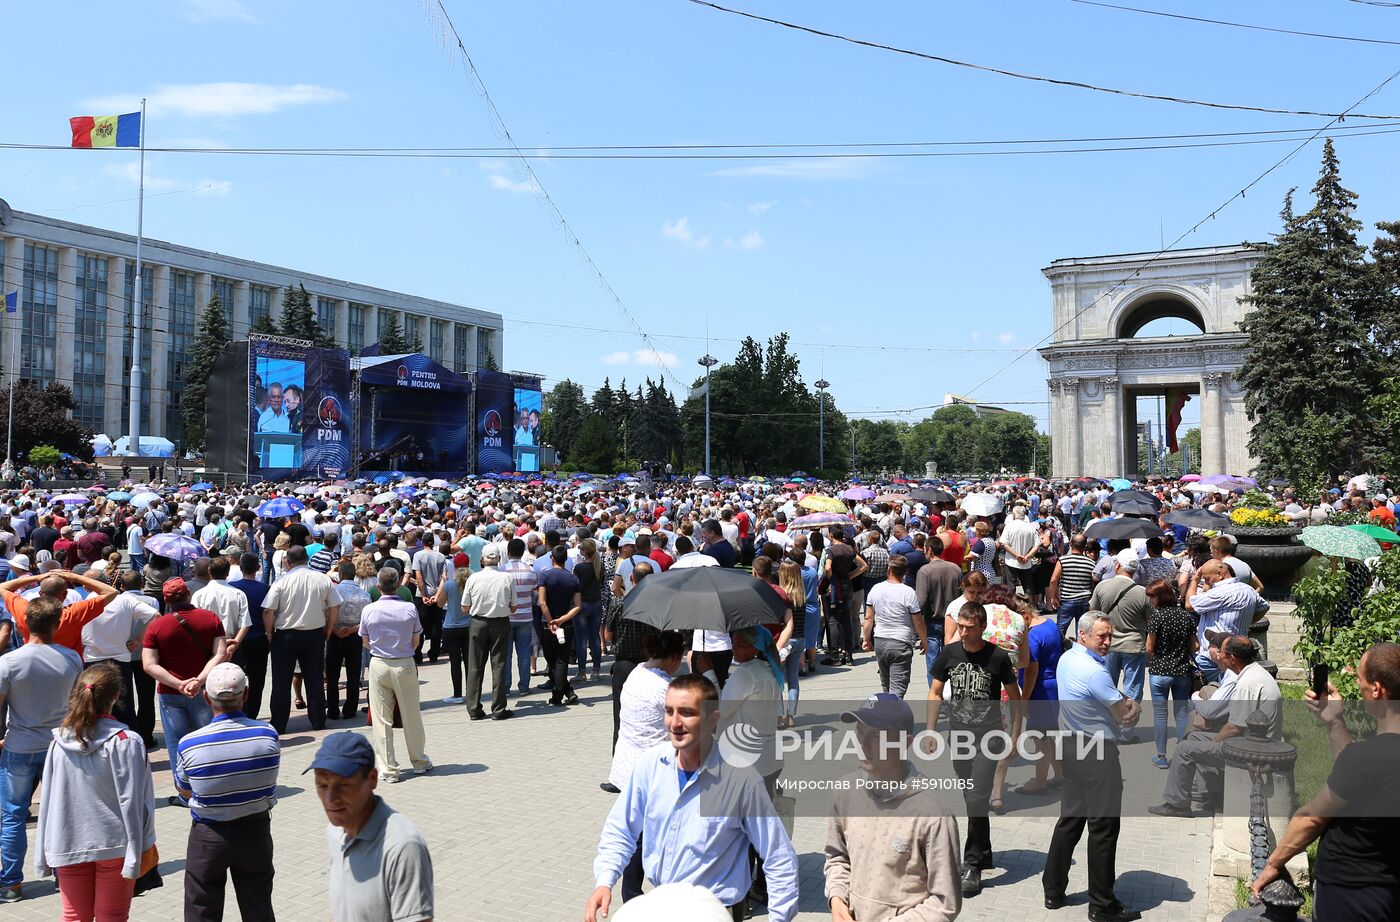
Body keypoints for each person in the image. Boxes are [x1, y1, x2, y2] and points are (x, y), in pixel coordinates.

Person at [586, 673, 799, 922]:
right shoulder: (650, 766)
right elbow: (621, 829)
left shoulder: (741, 780)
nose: (674, 722)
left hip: (715, 913)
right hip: (662, 908)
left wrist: (780, 918)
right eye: (669, 711)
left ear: (712, 719)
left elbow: (778, 856)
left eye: (686, 712)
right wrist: (605, 880)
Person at [1251, 642, 1400, 920]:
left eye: (1360, 678)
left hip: (1351, 893)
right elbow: (1358, 775)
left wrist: (1273, 864)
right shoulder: (1368, 759)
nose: (1358, 686)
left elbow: (1311, 818)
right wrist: (1334, 721)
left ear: (1377, 689)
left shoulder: (1366, 758)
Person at [32, 662, 157, 921]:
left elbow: (48, 800)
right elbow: (136, 800)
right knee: (112, 917)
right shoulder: (126, 742)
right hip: (115, 843)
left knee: (74, 917)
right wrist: (142, 845)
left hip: (68, 842)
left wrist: (44, 850)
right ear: (115, 696)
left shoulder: (59, 741)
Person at [825, 693, 963, 922]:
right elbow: (837, 856)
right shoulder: (845, 792)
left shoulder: (933, 814)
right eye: (860, 732)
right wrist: (837, 898)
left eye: (876, 735)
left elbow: (945, 902)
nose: (863, 743)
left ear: (905, 742)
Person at [1042, 611, 1142, 922]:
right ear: (1083, 635)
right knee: (1104, 827)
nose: (1108, 642)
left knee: (1070, 819)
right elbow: (1122, 715)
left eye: (1110, 636)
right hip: (1097, 753)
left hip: (1071, 746)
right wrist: (1133, 705)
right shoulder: (1096, 673)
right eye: (1102, 636)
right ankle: (1101, 903)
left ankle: (1053, 890)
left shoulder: (1068, 658)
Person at [926, 601, 1021, 898]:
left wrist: (1015, 737)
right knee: (970, 795)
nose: (963, 632)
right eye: (961, 627)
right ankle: (986, 849)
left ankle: (972, 864)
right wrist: (930, 731)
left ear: (982, 627)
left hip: (990, 736)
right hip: (959, 736)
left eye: (969, 628)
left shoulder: (998, 657)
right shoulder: (949, 653)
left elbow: (1017, 700)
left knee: (978, 796)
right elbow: (936, 691)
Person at [173, 662, 280, 922]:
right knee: (258, 907)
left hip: (209, 835)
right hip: (255, 831)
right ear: (245, 694)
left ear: (207, 697)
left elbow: (184, 792)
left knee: (201, 909)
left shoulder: (189, 744)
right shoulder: (267, 734)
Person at [0, 597, 83, 903]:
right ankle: (65, 877)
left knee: (12, 816)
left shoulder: (8, 662)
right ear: (56, 624)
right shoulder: (72, 658)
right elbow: (77, 705)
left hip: (19, 746)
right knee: (61, 812)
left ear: (24, 625)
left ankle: (11, 883)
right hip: (59, 746)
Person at [1149, 635, 1281, 818]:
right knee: (1194, 737)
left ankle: (1177, 804)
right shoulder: (1255, 673)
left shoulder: (1247, 684)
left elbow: (1235, 727)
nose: (1220, 657)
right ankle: (1212, 794)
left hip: (1251, 750)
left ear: (1233, 659)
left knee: (1185, 748)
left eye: (1223, 654)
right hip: (1253, 742)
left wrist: (1213, 743)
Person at [309, 732, 434, 922]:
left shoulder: (403, 847)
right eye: (322, 785)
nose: (330, 799)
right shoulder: (336, 831)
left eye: (343, 785)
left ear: (373, 779)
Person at [607, 631, 687, 903]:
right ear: (674, 658)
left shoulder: (637, 672)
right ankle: (645, 894)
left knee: (634, 831)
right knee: (652, 835)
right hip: (654, 771)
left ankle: (631, 893)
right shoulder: (666, 689)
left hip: (626, 763)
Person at [143, 578, 227, 772]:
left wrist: (179, 684)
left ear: (166, 599)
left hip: (170, 692)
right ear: (188, 593)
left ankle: (184, 790)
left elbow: (149, 665)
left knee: (176, 743)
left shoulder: (157, 626)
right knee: (207, 739)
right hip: (204, 690)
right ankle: (210, 782)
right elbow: (220, 653)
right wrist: (199, 680)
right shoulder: (210, 618)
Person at [359, 567, 432, 782]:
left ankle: (388, 769)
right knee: (411, 715)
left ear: (378, 586)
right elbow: (417, 640)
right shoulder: (409, 608)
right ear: (399, 585)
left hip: (379, 663)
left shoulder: (369, 610)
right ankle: (419, 761)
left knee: (382, 719)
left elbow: (365, 641)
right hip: (404, 663)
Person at [262, 545, 339, 734]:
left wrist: (269, 632)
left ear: (287, 562)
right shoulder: (322, 579)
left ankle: (279, 723)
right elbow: (335, 606)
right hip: (314, 634)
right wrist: (328, 629)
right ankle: (318, 719)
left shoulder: (281, 581)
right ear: (308, 559)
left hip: (285, 635)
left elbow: (268, 610)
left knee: (281, 681)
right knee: (314, 679)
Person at [79, 570, 160, 736]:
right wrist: (138, 640)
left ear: (88, 586)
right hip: (120, 659)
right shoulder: (125, 599)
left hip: (92, 659)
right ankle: (132, 742)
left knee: (94, 705)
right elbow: (156, 616)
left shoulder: (84, 601)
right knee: (125, 707)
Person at [1091, 549, 1153, 719]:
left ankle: (1108, 723)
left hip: (1107, 645)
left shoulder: (1102, 587)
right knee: (1132, 689)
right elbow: (1151, 621)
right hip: (1134, 645)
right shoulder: (1142, 592)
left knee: (1106, 688)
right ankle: (1127, 729)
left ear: (1117, 565)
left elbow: (1092, 614)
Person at [1144, 578, 1196, 770]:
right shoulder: (1185, 617)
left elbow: (1149, 647)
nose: (1151, 601)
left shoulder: (1156, 618)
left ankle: (1161, 756)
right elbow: (1195, 645)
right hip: (1182, 671)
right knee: (1182, 714)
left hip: (1159, 671)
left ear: (1159, 597)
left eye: (1152, 597)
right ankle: (1182, 754)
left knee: (1160, 715)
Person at [862, 555, 927, 699]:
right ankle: (892, 718)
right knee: (898, 688)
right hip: (900, 642)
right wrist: (924, 640)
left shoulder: (876, 589)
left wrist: (866, 639)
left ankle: (888, 715)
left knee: (886, 685)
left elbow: (868, 617)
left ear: (889, 569)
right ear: (905, 572)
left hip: (881, 640)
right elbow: (917, 621)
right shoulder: (908, 592)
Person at [462, 545, 514, 720]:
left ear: (482, 560)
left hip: (478, 622)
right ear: (498, 559)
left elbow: (465, 607)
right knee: (498, 665)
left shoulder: (474, 578)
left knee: (475, 666)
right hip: (500, 623)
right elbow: (513, 607)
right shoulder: (507, 578)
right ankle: (499, 708)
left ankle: (474, 708)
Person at [537, 544, 581, 707]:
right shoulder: (573, 578)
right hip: (566, 624)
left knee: (552, 660)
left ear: (552, 559)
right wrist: (562, 619)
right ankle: (567, 691)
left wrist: (551, 621)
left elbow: (542, 602)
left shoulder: (544, 576)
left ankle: (559, 694)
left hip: (546, 624)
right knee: (562, 660)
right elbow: (577, 605)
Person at [228, 554, 271, 720]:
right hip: (259, 638)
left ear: (240, 567)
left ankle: (236, 711)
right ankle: (252, 714)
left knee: (234, 677)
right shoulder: (265, 589)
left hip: (237, 639)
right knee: (257, 678)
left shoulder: (232, 588)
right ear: (258, 568)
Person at [914, 536, 962, 684]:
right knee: (954, 658)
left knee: (933, 661)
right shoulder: (955, 569)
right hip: (953, 620)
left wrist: (918, 624)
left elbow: (921, 601)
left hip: (932, 621)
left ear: (929, 550)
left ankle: (935, 695)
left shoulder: (924, 571)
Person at [327, 560, 370, 721]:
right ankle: (350, 709)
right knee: (353, 675)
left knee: (332, 675)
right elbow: (367, 619)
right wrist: (351, 629)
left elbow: (326, 614)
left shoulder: (333, 592)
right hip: (354, 636)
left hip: (335, 635)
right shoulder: (364, 595)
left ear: (341, 574)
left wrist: (336, 630)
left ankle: (332, 709)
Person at [435, 556, 471, 704]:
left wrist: (443, 583)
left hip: (451, 626)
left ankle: (457, 694)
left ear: (454, 567)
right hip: (469, 626)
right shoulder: (473, 582)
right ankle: (473, 692)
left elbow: (439, 604)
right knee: (470, 662)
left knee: (455, 662)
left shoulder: (449, 584)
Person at [1047, 533, 1096, 637]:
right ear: (1084, 547)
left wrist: (1053, 597)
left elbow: (1053, 580)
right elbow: (1092, 583)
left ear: (1070, 544)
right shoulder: (1091, 563)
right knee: (1082, 631)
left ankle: (1058, 651)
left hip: (1067, 600)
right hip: (1084, 601)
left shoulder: (1063, 560)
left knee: (1060, 629)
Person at [573, 538, 605, 682]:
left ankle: (581, 671)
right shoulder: (598, 566)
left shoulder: (579, 568)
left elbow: (576, 587)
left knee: (581, 639)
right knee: (595, 637)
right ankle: (596, 670)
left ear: (584, 552)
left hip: (582, 604)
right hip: (596, 603)